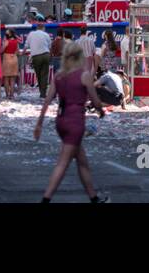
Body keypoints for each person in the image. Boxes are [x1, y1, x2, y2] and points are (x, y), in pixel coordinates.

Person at [33, 42, 108, 203]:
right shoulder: (84, 75)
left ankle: (94, 198)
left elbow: (47, 100)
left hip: (61, 120)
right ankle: (46, 199)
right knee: (63, 163)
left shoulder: (59, 75)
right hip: (76, 121)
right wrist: (101, 111)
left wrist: (39, 124)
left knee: (82, 161)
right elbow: (95, 101)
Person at [25, 20, 52, 98]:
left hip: (36, 56)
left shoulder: (31, 34)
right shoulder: (46, 35)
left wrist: (23, 53)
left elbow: (26, 45)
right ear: (43, 28)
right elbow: (49, 46)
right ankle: (43, 93)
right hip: (45, 55)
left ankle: (41, 91)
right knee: (44, 75)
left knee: (38, 74)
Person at [1, 28, 20, 100]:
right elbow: (17, 51)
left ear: (9, 34)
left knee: (6, 78)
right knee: (12, 79)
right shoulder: (16, 41)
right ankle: (12, 94)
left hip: (6, 58)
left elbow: (1, 50)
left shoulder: (6, 41)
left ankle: (7, 94)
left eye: (7, 33)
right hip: (14, 59)